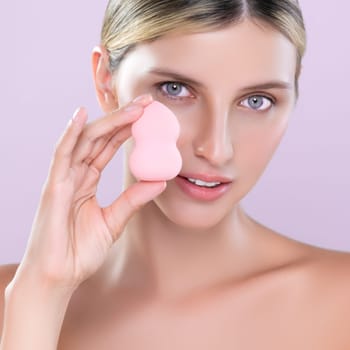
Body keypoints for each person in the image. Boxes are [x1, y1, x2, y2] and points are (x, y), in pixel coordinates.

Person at [1, 0, 349, 348]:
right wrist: (41, 293)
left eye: (257, 100)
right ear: (106, 80)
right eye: (175, 89)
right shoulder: (18, 301)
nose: (216, 149)